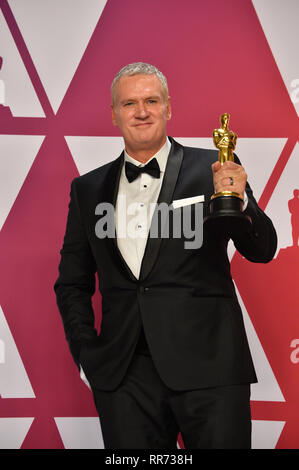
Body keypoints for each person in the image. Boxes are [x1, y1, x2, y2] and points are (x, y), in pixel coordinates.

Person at [54, 62, 277, 449]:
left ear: (168, 107)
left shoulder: (216, 168)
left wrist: (243, 206)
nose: (141, 111)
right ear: (113, 113)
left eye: (151, 100)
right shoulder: (86, 189)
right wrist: (87, 354)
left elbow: (263, 250)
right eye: (129, 103)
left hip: (211, 371)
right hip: (124, 378)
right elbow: (72, 282)